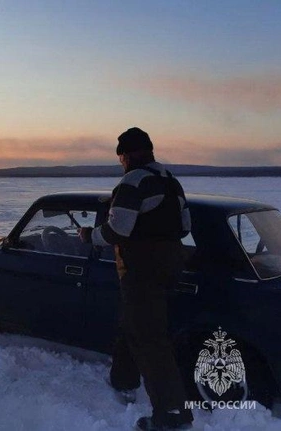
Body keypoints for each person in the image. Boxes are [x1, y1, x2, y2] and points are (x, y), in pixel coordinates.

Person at [79, 127, 193, 431]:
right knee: (135, 322)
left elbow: (117, 230)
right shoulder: (171, 181)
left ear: (127, 155)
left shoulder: (133, 182)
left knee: (149, 338)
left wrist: (89, 235)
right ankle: (123, 379)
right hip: (170, 267)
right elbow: (184, 228)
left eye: (121, 157)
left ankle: (173, 416)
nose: (121, 162)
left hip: (142, 270)